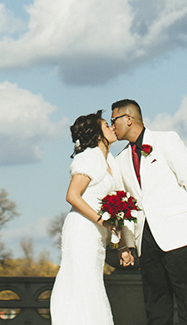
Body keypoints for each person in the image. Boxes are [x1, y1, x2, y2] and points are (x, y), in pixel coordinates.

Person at [110, 98, 187, 325]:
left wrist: (183, 212)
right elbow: (127, 206)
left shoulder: (166, 139)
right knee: (155, 303)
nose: (112, 125)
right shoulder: (121, 159)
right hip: (146, 239)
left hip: (177, 232)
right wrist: (128, 243)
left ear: (129, 119)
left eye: (114, 120)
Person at [49, 110, 122, 325]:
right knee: (82, 281)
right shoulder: (89, 158)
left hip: (97, 233)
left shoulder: (110, 160)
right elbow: (72, 195)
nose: (112, 128)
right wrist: (104, 221)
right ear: (98, 134)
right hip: (82, 229)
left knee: (91, 282)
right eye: (106, 126)